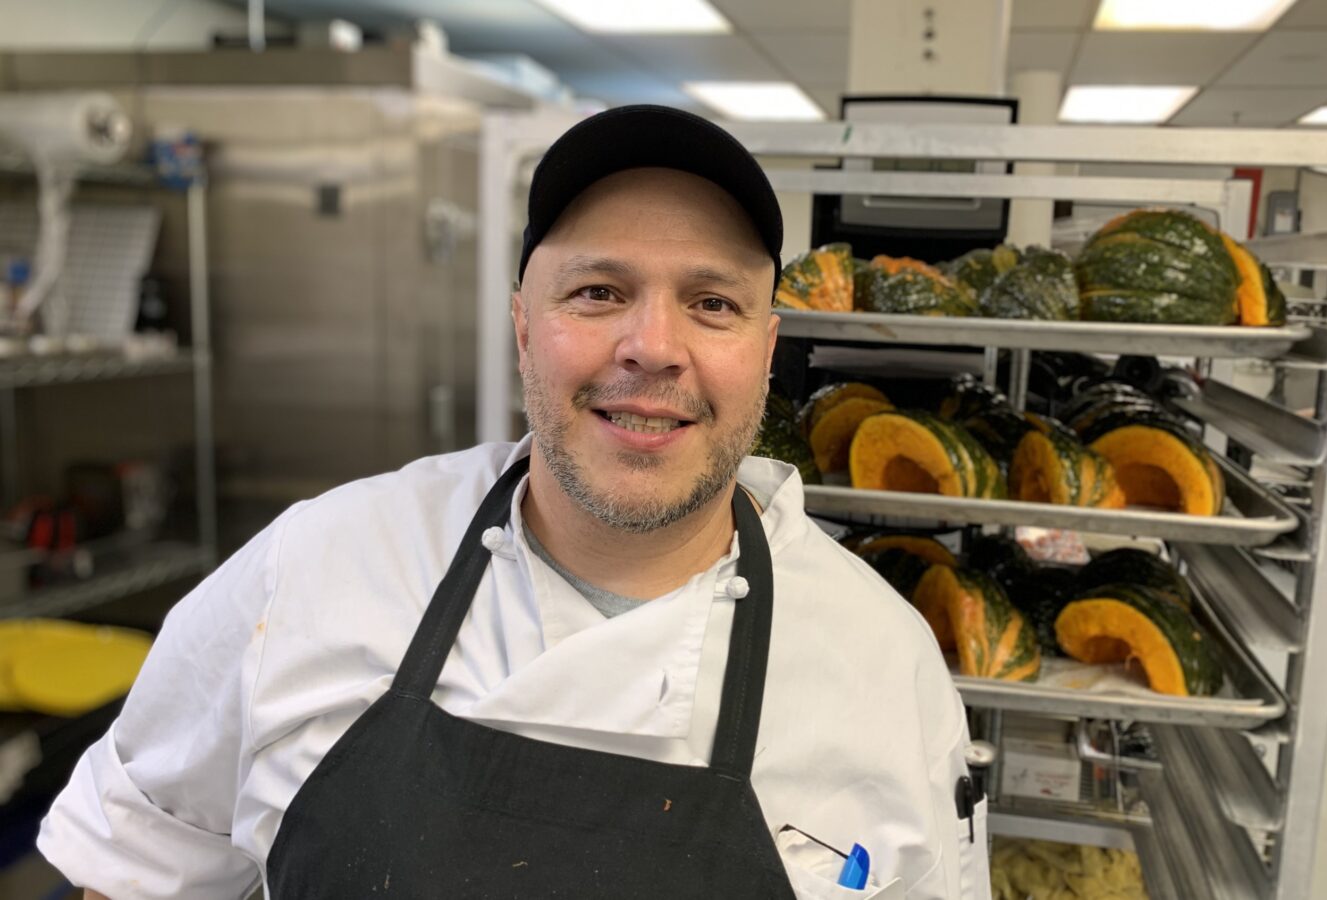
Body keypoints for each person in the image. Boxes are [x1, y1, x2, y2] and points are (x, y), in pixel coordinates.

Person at [38, 107, 987, 899]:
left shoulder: (884, 673)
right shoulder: (315, 570)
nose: (653, 346)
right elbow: (131, 866)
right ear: (523, 329)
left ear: (767, 349)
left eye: (712, 304)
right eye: (599, 290)